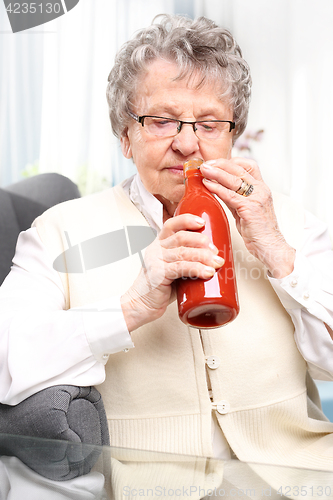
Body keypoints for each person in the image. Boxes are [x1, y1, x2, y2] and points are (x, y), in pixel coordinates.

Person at [0, 14, 333, 471]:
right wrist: (131, 307)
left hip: (307, 474)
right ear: (125, 135)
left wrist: (276, 251)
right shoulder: (57, 230)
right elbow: (5, 358)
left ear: (232, 137)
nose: (188, 144)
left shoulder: (284, 221)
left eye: (211, 124)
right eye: (162, 121)